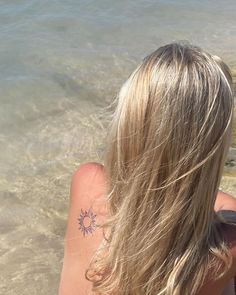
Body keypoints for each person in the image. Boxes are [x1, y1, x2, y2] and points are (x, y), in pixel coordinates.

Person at [59, 42, 236, 295]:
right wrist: (193, 182)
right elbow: (219, 204)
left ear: (129, 118)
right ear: (215, 146)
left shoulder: (86, 180)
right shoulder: (229, 244)